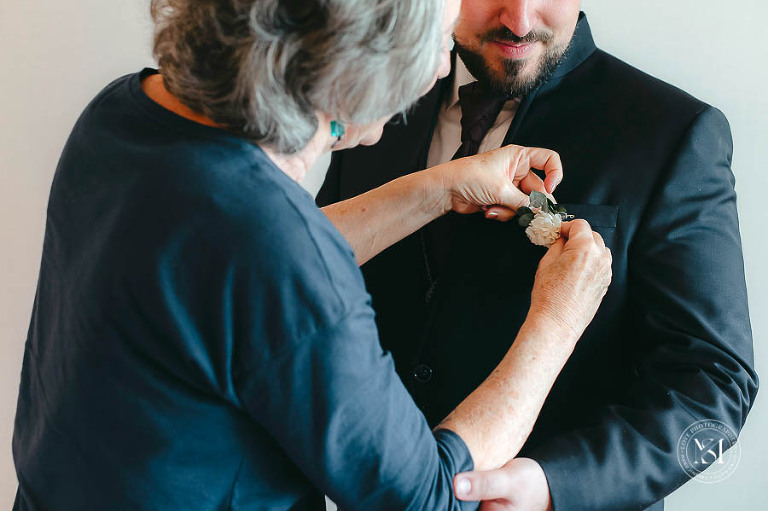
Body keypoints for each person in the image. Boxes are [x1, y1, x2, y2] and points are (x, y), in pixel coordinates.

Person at [12, 0, 613, 510]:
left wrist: (441, 188)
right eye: (433, 43)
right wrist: (558, 319)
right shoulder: (268, 248)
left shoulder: (122, 113)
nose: (440, 68)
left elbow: (248, 272)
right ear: (354, 64)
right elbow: (429, 493)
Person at [317, 1, 759, 510]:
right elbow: (310, 273)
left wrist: (557, 485)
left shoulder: (674, 131)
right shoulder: (375, 95)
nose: (520, 21)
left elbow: (714, 383)